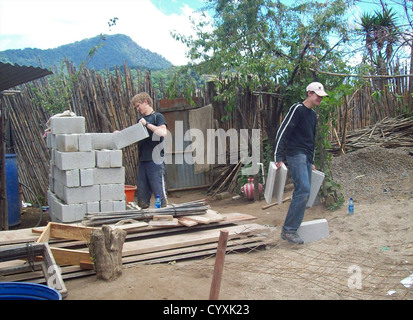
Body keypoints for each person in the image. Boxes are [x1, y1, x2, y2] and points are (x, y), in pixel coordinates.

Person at [274, 82, 328, 244]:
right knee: (303, 189)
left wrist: (311, 161)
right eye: (317, 95)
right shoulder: (297, 109)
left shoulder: (312, 115)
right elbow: (283, 130)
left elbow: (311, 139)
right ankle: (289, 230)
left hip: (305, 156)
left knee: (305, 191)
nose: (320, 98)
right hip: (295, 154)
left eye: (321, 96)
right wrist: (278, 155)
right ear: (309, 93)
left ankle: (291, 229)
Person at [131, 92, 168, 209]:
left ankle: (164, 217)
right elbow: (133, 136)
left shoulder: (157, 117)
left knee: (159, 193)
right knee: (142, 196)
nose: (137, 109)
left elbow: (163, 132)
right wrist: (120, 135)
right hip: (142, 161)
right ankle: (145, 219)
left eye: (138, 106)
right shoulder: (139, 120)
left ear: (145, 102)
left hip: (155, 161)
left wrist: (146, 124)